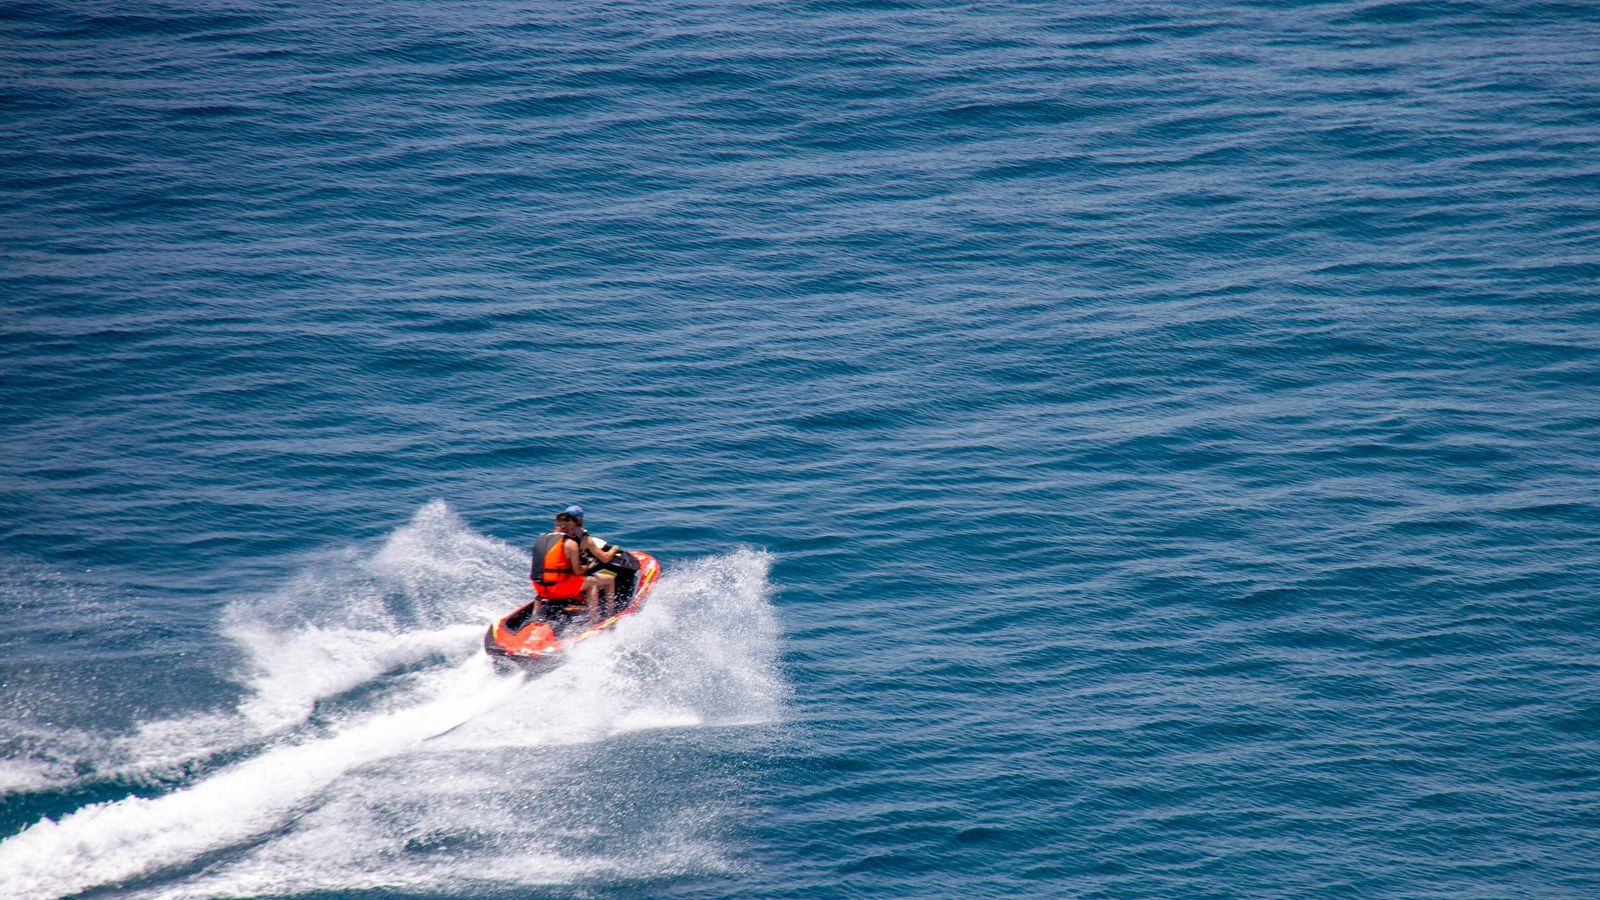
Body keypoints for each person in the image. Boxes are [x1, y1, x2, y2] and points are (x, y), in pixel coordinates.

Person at [530, 505, 601, 624]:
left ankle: (533, 620)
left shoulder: (540, 539)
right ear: (565, 528)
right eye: (572, 528)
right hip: (559, 589)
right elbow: (578, 571)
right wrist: (587, 565)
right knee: (592, 582)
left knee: (547, 584)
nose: (573, 531)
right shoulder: (570, 543)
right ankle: (593, 620)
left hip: (540, 588)